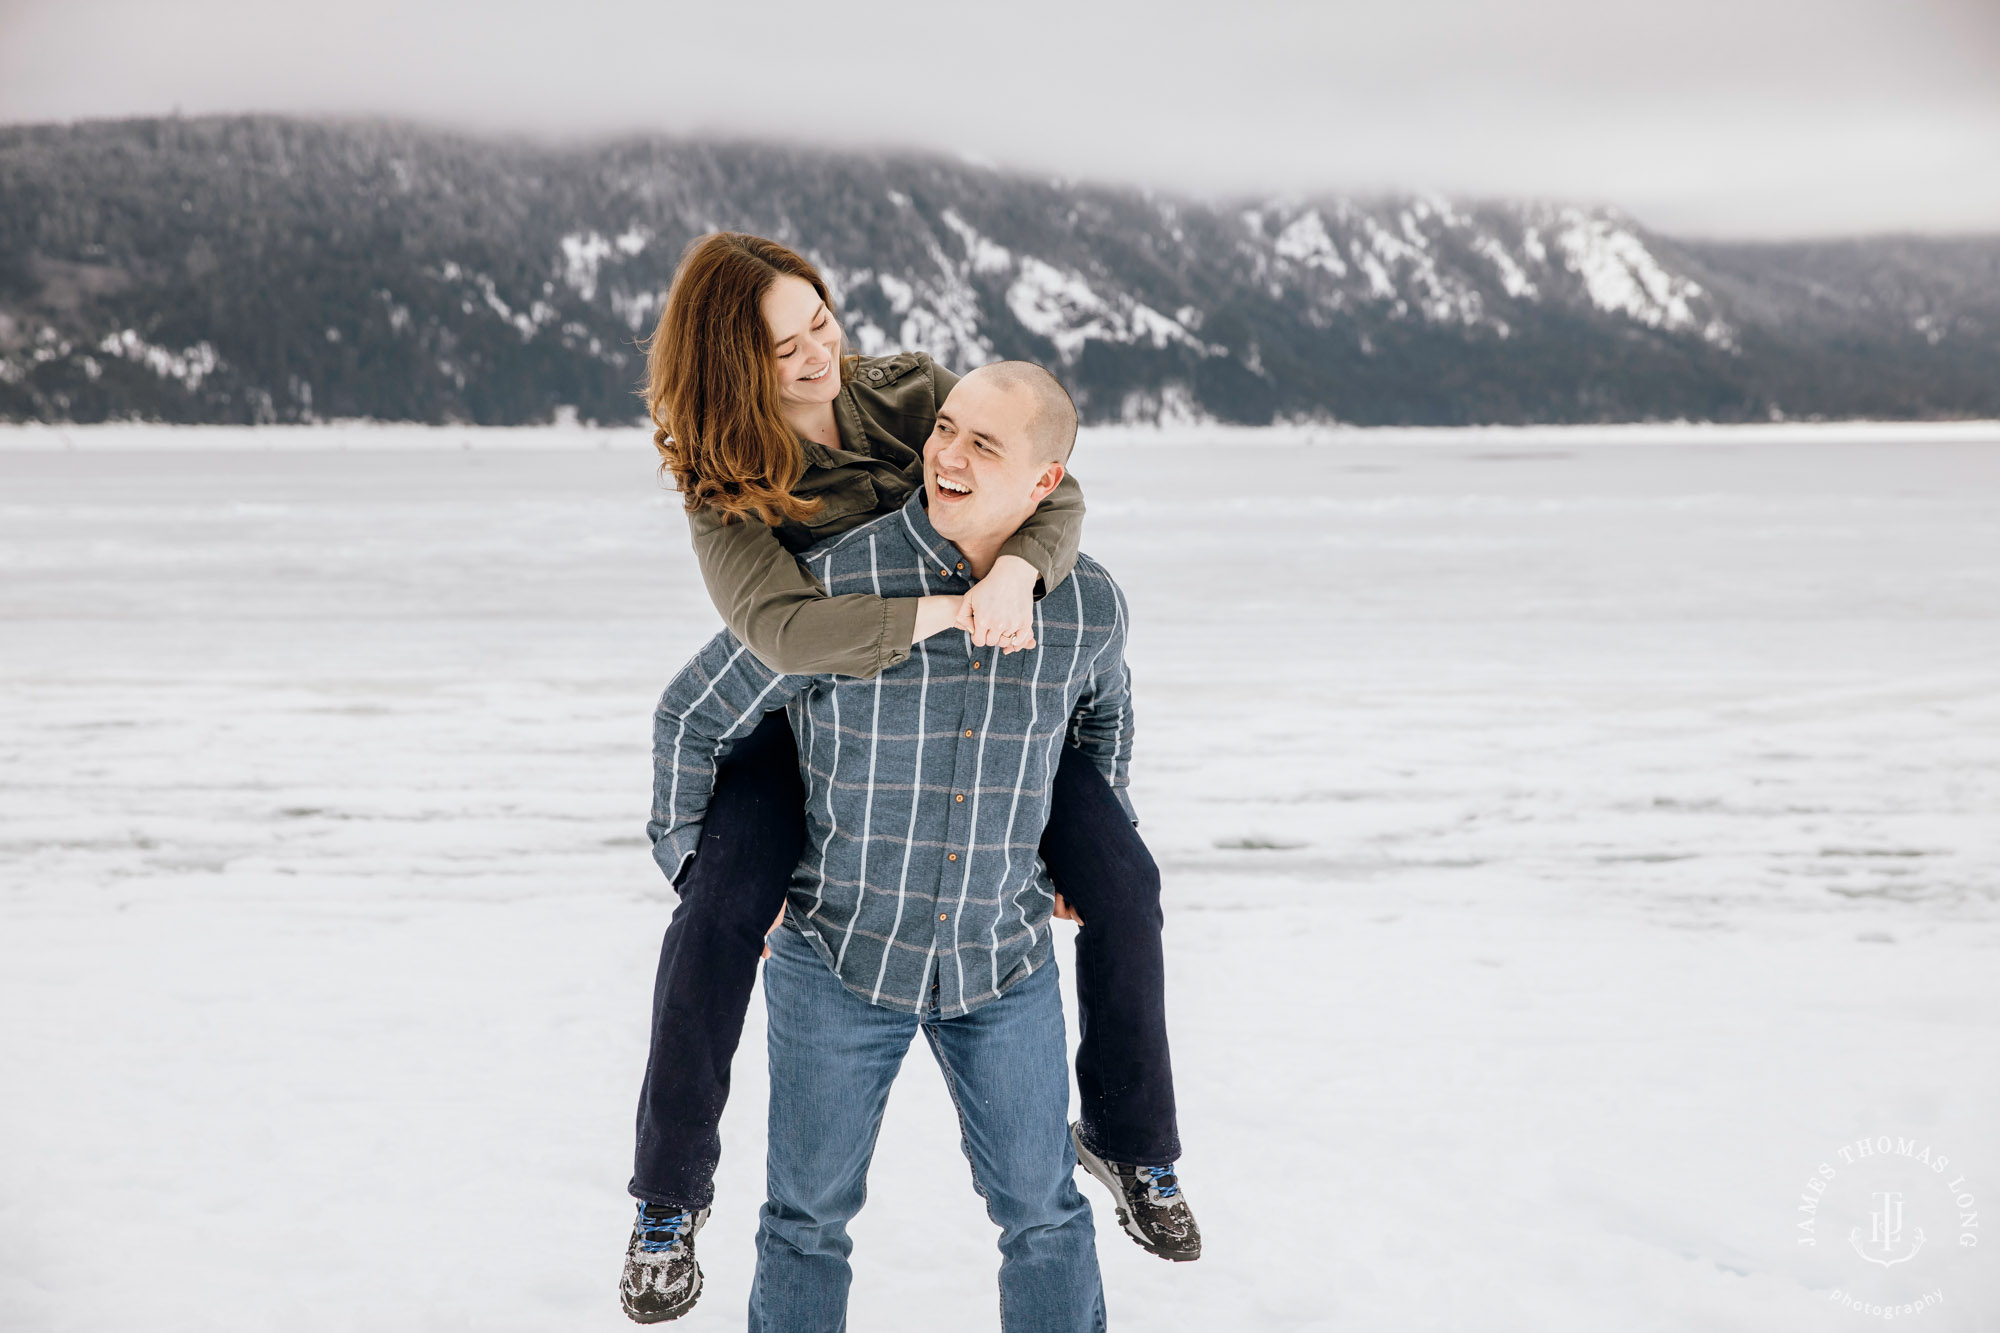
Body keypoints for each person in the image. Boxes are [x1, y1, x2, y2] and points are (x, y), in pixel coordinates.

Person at [621, 235, 1197, 1324]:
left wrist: (1020, 567)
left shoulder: (907, 401)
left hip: (986, 851)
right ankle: (664, 1198)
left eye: (819, 325)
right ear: (729, 368)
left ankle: (1130, 1140)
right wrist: (942, 612)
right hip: (802, 715)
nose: (814, 360)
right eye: (779, 349)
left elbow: (1047, 480)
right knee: (714, 916)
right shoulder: (727, 485)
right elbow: (775, 633)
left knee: (1124, 882)